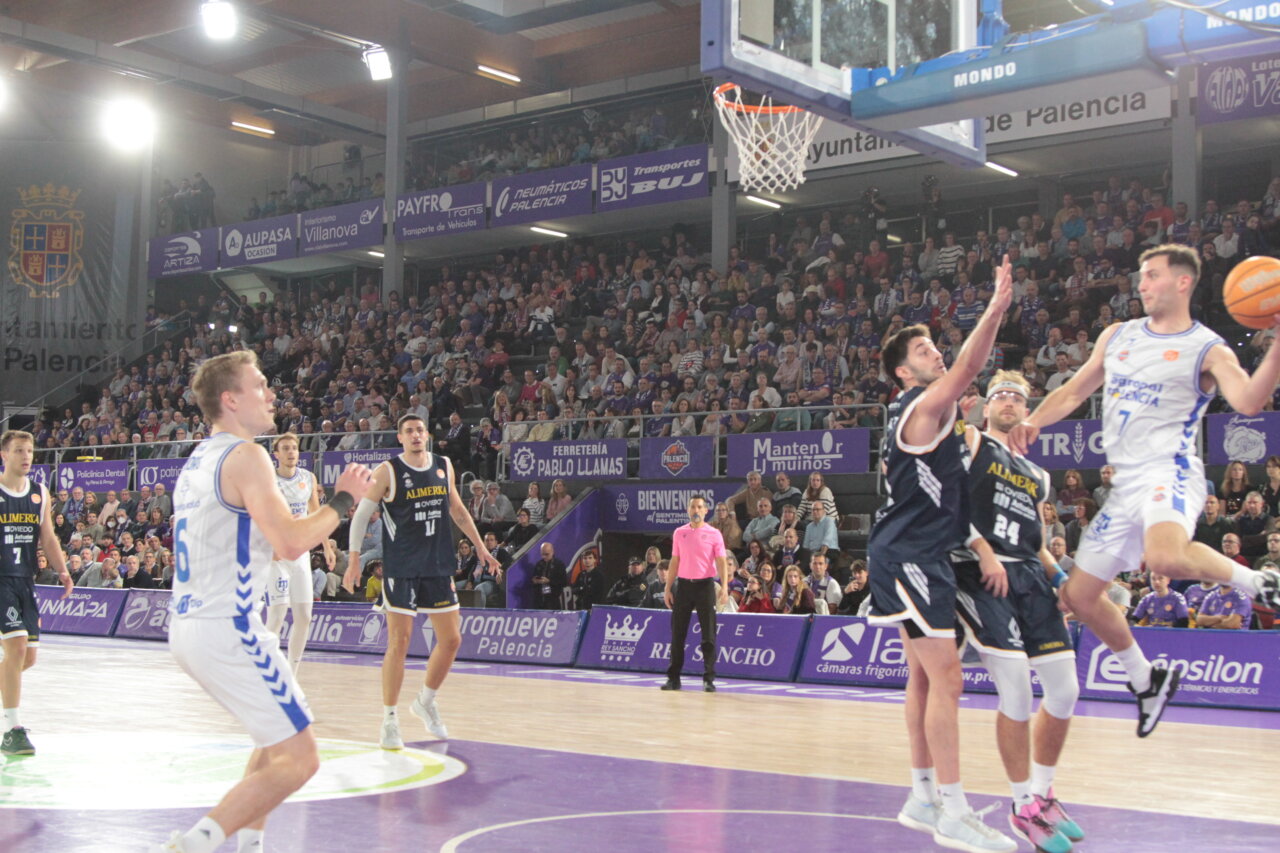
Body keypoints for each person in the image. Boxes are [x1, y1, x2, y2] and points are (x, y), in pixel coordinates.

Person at [1009, 244, 1280, 738]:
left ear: (1182, 283)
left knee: (1165, 558)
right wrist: (1032, 420)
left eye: (1152, 275)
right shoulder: (1118, 335)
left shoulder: (1209, 347)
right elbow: (1073, 391)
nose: (1142, 283)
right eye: (1141, 276)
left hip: (1169, 470)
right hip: (1126, 482)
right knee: (1080, 595)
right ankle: (1146, 679)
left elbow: (1248, 401)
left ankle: (1261, 583)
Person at [153, 351, 373, 853]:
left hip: (190, 626)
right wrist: (341, 501)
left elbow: (270, 544)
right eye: (259, 386)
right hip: (227, 625)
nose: (271, 393)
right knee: (300, 759)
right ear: (230, 400)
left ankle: (250, 843)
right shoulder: (247, 455)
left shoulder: (198, 459)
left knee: (272, 737)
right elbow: (291, 544)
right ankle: (193, 845)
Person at [868, 253, 1017, 851]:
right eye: (924, 352)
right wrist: (997, 308)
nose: (935, 354)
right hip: (909, 557)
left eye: (934, 347)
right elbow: (970, 365)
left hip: (912, 551)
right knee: (948, 679)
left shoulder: (930, 415)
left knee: (926, 680)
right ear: (904, 375)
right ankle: (953, 811)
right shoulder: (920, 405)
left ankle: (923, 795)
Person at [951, 372, 1083, 851]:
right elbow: (950, 501)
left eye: (1018, 398)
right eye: (1000, 396)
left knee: (1065, 689)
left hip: (1029, 574)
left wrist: (1063, 581)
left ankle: (1043, 794)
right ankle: (1019, 805)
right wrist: (983, 551)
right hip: (979, 568)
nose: (1009, 401)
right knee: (1016, 688)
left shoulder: (1038, 475)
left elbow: (1038, 543)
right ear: (985, 408)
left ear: (1028, 411)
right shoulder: (971, 441)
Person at [343, 413, 498, 750]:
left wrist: (482, 549)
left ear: (427, 435)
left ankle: (425, 701)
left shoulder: (443, 464)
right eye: (409, 431)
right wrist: (354, 560)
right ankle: (389, 719)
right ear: (400, 437)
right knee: (399, 642)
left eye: (420, 430)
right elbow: (360, 516)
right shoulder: (388, 471)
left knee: (452, 640)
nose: (415, 435)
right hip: (402, 568)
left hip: (438, 564)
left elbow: (457, 510)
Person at [0, 431, 73, 756]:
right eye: (19, 450)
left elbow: (48, 537)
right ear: (4, 455)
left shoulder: (39, 493)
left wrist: (63, 571)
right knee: (15, 647)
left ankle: (8, 705)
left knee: (27, 658)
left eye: (29, 450)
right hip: (1, 580)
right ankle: (12, 730)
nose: (26, 456)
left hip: (24, 581)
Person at [265, 433, 331, 674]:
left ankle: (291, 674)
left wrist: (325, 546)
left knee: (304, 616)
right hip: (276, 556)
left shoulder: (308, 477)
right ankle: (265, 670)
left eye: (294, 448)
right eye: (286, 448)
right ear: (277, 454)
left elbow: (315, 513)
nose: (292, 452)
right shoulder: (268, 480)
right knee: (277, 615)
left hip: (301, 553)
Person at [661, 495, 729, 693]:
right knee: (678, 634)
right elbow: (674, 561)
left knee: (708, 635)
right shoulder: (679, 533)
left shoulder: (714, 533)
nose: (696, 510)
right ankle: (673, 678)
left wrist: (724, 586)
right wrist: (668, 588)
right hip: (683, 586)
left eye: (699, 507)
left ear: (705, 511)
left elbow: (722, 561)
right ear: (688, 510)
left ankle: (709, 678)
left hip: (705, 586)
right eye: (692, 507)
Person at [530, 542, 568, 609]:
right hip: (539, 600)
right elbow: (533, 578)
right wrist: (535, 581)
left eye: (546, 554)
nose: (544, 557)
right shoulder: (539, 564)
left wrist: (549, 581)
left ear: (552, 552)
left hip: (552, 600)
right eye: (542, 554)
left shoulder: (559, 565)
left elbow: (564, 582)